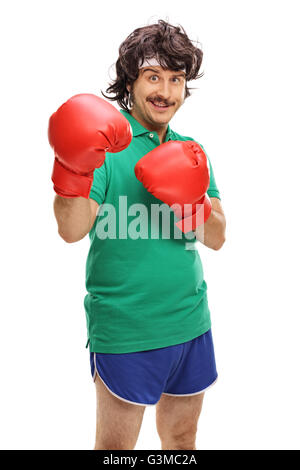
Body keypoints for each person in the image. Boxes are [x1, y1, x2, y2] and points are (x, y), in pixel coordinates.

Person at [48, 19, 226, 450]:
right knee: (116, 452)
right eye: (153, 77)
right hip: (127, 332)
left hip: (190, 324)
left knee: (182, 440)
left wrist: (192, 200)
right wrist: (71, 168)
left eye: (176, 78)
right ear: (131, 80)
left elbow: (218, 235)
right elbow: (71, 230)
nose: (165, 90)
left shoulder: (189, 149)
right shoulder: (106, 149)